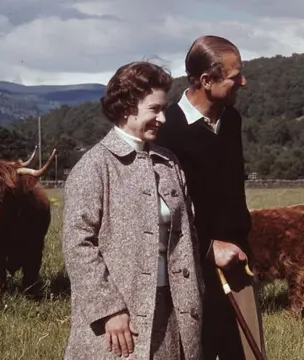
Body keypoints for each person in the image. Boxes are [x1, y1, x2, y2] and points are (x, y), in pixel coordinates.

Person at [61, 61, 204, 360]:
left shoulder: (169, 163)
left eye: (163, 109)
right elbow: (78, 245)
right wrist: (109, 310)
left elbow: (188, 234)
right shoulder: (94, 167)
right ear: (126, 106)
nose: (163, 118)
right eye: (154, 109)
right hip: (118, 321)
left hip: (172, 312)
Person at [155, 35, 266, 360]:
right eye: (235, 76)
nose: (243, 82)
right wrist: (207, 248)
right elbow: (163, 209)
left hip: (237, 261)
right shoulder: (167, 131)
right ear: (206, 80)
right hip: (189, 267)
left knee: (243, 351)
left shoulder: (231, 120)